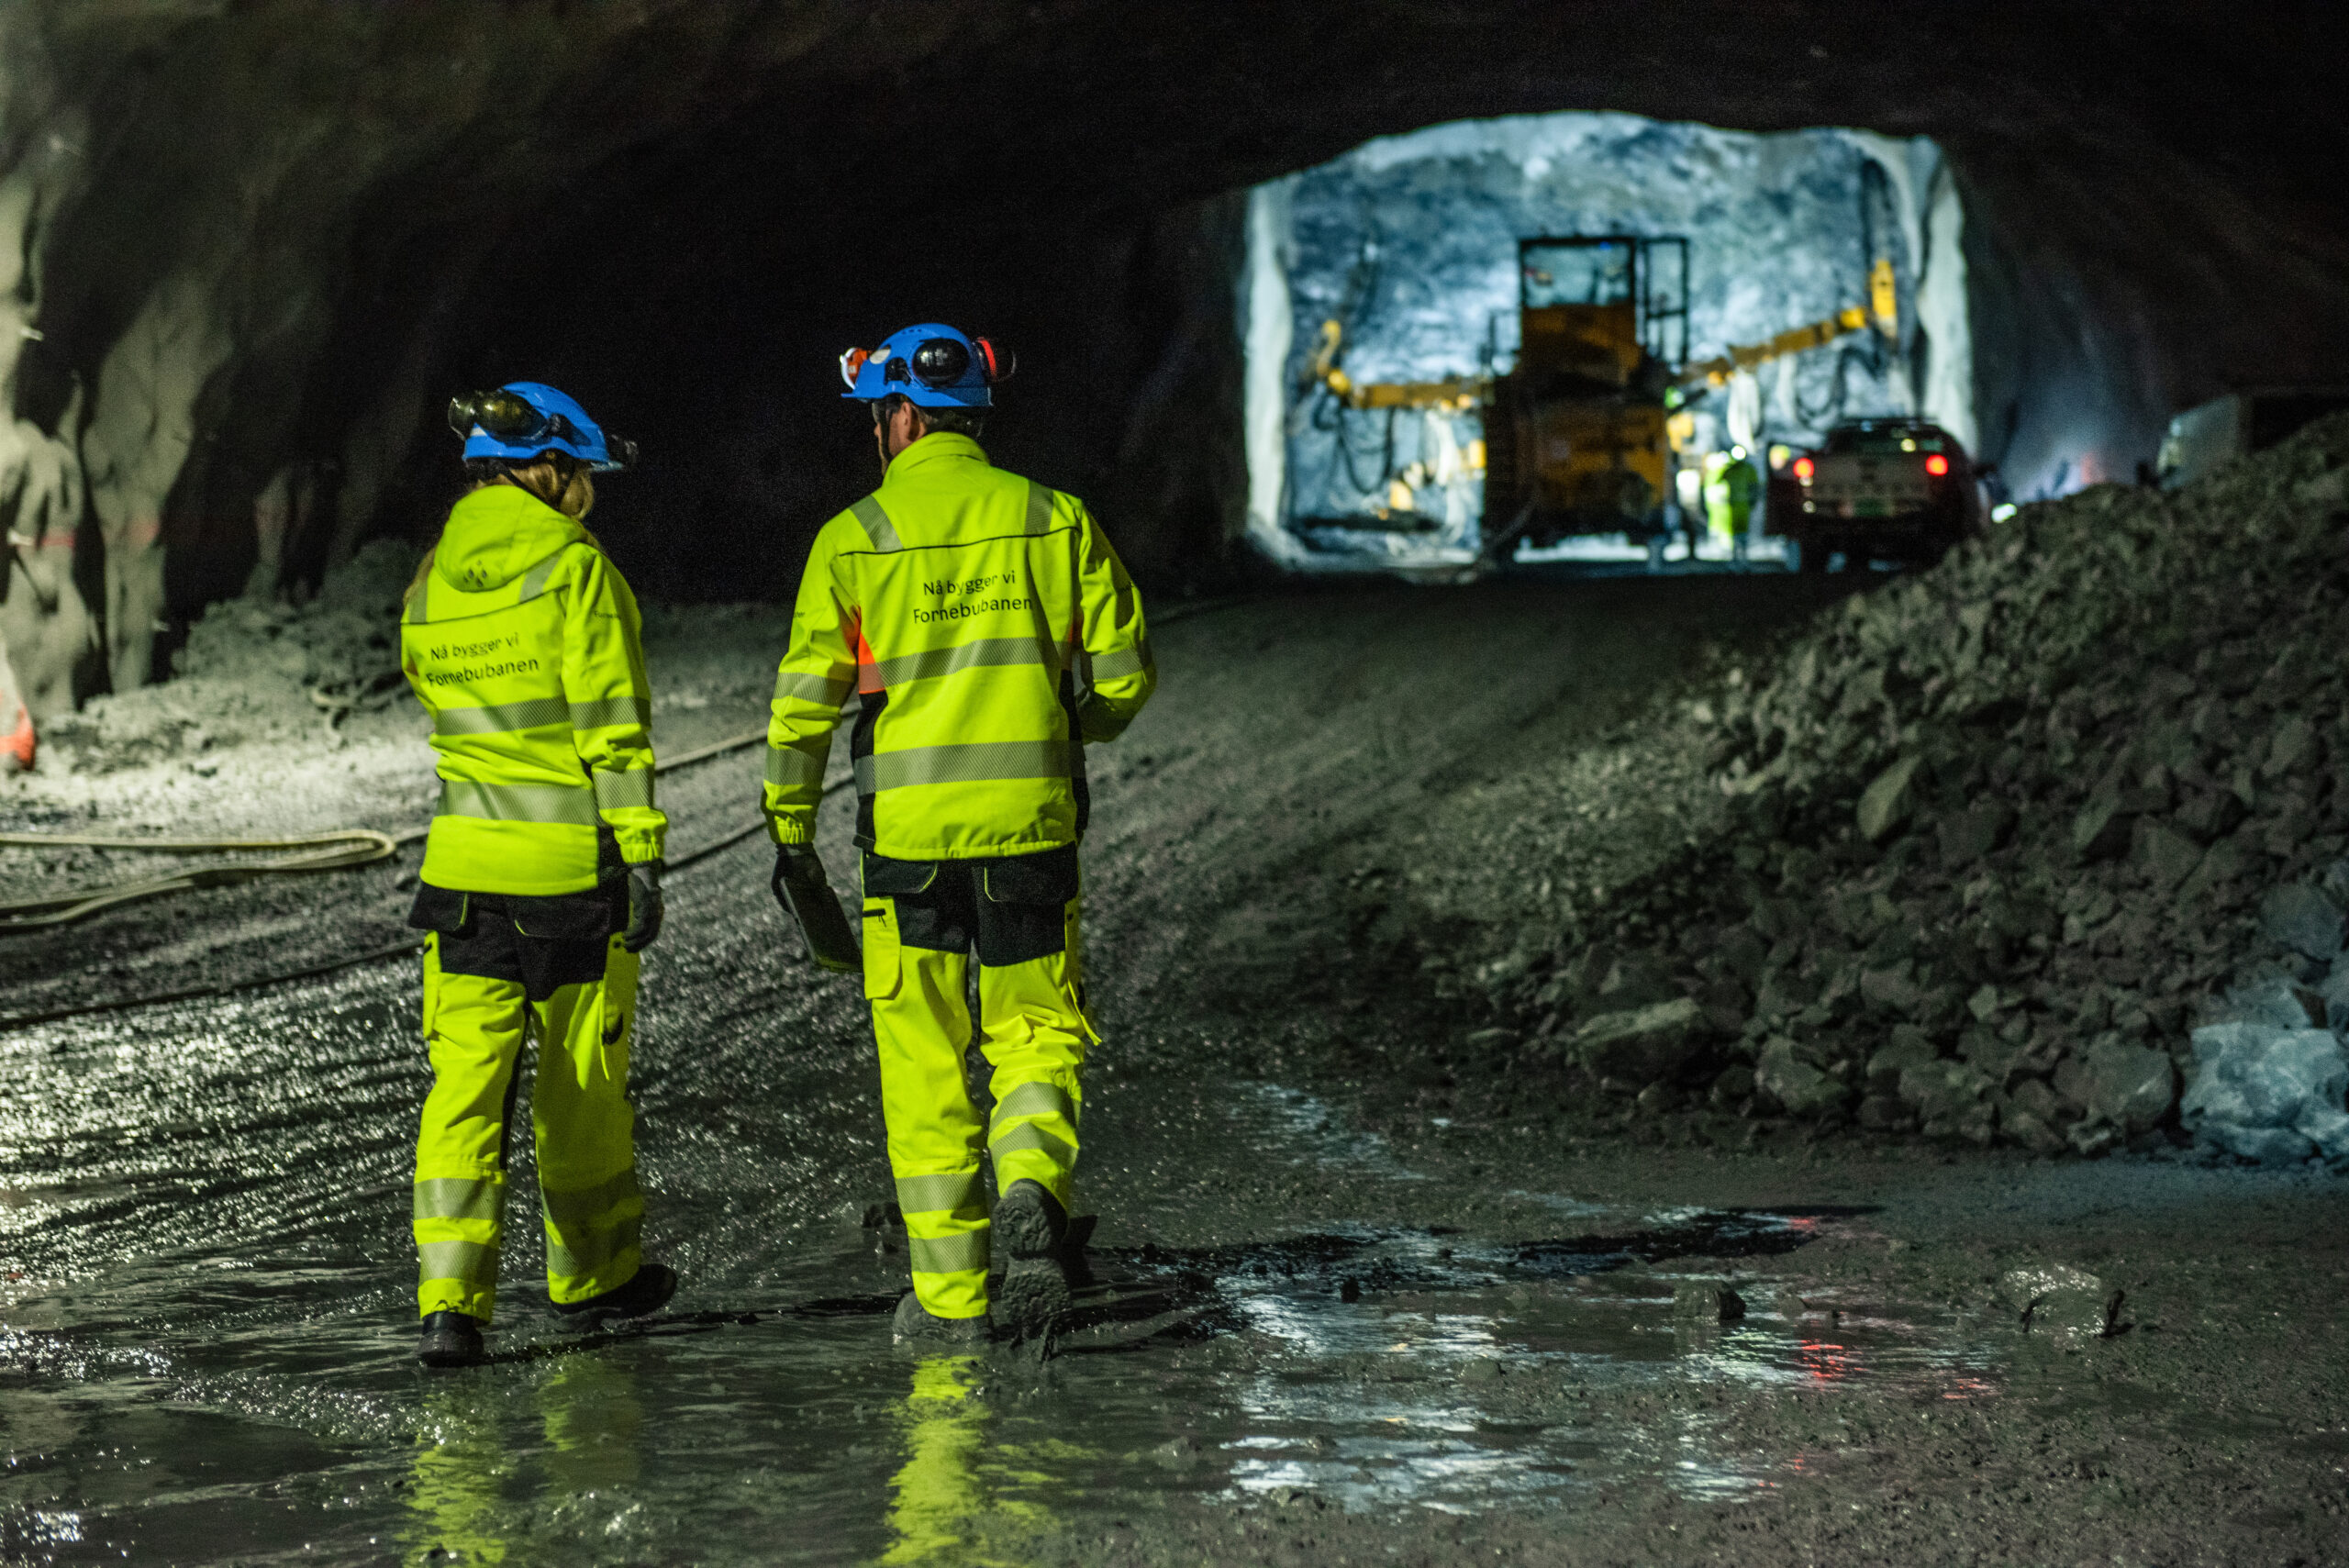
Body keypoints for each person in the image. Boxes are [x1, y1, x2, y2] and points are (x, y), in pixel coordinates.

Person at [763, 324, 1155, 1343]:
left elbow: (803, 705)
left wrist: (790, 823)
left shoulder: (852, 537)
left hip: (908, 843)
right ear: (974, 414)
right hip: (1028, 832)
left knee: (925, 1057)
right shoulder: (1054, 517)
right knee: (1033, 1028)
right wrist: (1066, 722)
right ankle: (1030, 1180)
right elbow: (1122, 677)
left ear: (897, 417)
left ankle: (948, 1300)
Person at [399, 381, 675, 1369]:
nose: (588, 494)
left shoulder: (430, 576)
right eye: (583, 474)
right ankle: (597, 1282)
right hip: (567, 876)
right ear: (549, 467)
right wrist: (640, 853)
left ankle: (449, 1304)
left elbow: (430, 687)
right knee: (576, 1089)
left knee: (463, 1094)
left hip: (463, 875)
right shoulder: (576, 569)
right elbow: (613, 724)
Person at [1703, 445, 1761, 568]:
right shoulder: (1727, 469)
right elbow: (1714, 482)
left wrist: (1753, 501)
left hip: (1743, 507)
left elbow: (1755, 486)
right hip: (1731, 508)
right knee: (1733, 534)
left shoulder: (1748, 469)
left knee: (1742, 533)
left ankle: (1743, 558)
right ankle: (1734, 558)